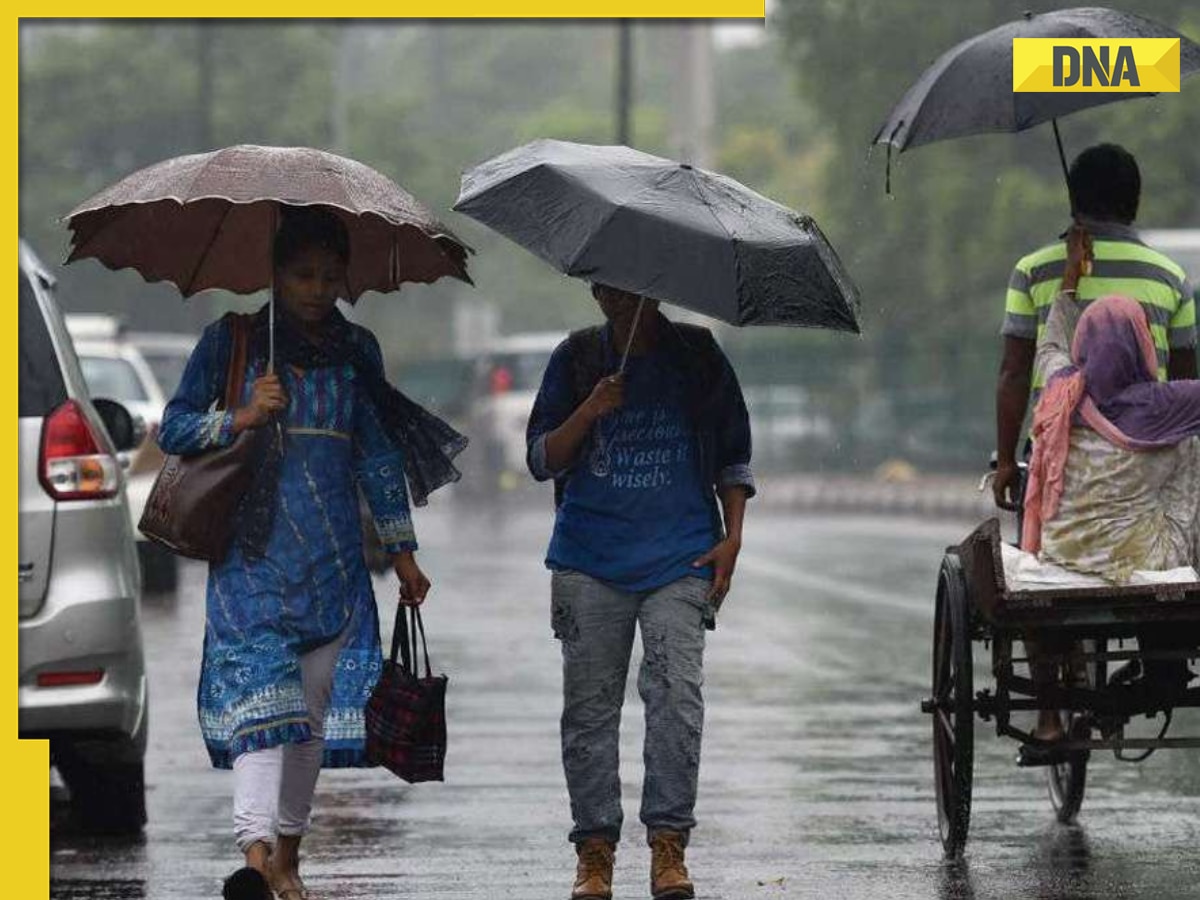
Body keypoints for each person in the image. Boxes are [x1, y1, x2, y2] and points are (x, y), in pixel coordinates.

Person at [159, 206, 464, 899]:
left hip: (333, 565)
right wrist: (238, 415)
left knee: (309, 718)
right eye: (303, 275)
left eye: (330, 276)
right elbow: (173, 426)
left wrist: (404, 551)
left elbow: (378, 457)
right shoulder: (230, 342)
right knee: (262, 709)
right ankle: (257, 857)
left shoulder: (358, 352)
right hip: (251, 561)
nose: (317, 289)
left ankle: (288, 853)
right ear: (275, 273)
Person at [526, 283, 754, 900]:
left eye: (634, 291)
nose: (620, 300)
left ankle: (668, 846)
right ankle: (594, 854)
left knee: (677, 698)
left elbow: (734, 456)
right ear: (595, 291)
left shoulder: (699, 355)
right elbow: (542, 458)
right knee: (589, 712)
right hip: (588, 560)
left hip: (681, 557)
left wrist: (733, 538)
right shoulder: (575, 358)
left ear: (657, 288)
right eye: (608, 290)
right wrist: (590, 409)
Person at [1018, 227, 1200, 743]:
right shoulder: (1169, 403)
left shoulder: (1060, 389)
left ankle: (1052, 711)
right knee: (1189, 448)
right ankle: (1163, 664)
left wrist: (1072, 277)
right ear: (1144, 344)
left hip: (1065, 553)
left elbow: (1049, 340)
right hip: (1148, 558)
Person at [994, 143, 1196, 512]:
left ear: (1074, 200)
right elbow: (1183, 377)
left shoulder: (1033, 272)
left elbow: (1015, 373)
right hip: (1147, 457)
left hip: (1057, 455)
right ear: (1134, 202)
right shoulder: (1172, 278)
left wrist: (1006, 462)